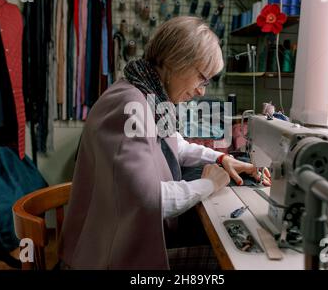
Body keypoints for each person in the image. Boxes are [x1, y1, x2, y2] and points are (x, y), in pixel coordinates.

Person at [58, 16, 271, 269]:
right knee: (228, 259)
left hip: (129, 236)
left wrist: (222, 159)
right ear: (175, 62)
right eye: (202, 78)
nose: (202, 90)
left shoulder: (151, 94)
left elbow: (175, 146)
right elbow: (148, 199)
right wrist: (209, 183)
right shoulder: (130, 106)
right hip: (110, 255)